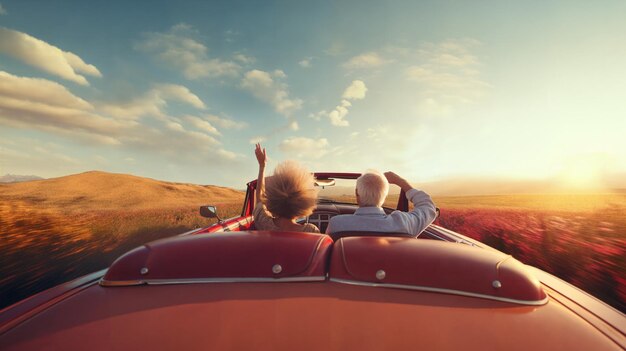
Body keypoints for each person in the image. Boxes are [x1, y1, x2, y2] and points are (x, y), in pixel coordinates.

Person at [325, 170, 436, 237]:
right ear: (384, 196)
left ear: (357, 194)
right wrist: (401, 182)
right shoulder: (404, 223)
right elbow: (429, 207)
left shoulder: (337, 224)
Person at [253, 143, 320, 233]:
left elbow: (259, 198)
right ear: (303, 203)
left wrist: (262, 166)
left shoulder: (264, 223)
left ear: (273, 199)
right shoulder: (310, 230)